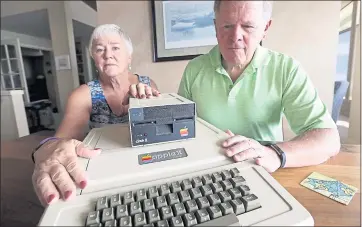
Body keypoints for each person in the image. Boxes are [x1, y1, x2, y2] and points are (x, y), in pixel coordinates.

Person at [178, 1, 340, 173]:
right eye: (227, 26)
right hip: (207, 172)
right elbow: (180, 131)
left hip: (263, 169)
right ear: (215, 27)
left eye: (248, 26)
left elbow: (329, 139)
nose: (236, 36)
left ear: (265, 28)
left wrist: (274, 154)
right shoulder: (194, 69)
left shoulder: (286, 69)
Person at [31, 24, 160, 206]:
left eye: (115, 48)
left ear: (129, 56)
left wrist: (143, 102)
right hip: (105, 170)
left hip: (146, 165)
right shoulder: (83, 94)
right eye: (100, 50)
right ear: (94, 58)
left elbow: (159, 132)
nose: (108, 55)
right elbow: (59, 142)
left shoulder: (148, 84)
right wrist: (44, 151)